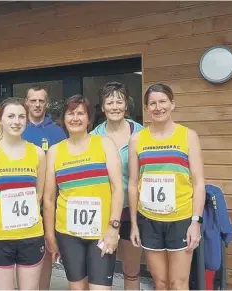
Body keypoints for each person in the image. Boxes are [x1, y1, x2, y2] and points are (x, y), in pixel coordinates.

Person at [128, 84, 205, 290]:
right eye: (152, 103)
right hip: (149, 220)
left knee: (178, 283)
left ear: (172, 104)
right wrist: (134, 223)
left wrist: (195, 222)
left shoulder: (188, 136)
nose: (158, 107)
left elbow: (198, 183)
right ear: (146, 108)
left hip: (180, 219)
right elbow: (133, 183)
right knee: (160, 282)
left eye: (162, 101)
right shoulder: (137, 139)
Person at [43, 95, 124, 290]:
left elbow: (117, 188)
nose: (75, 118)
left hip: (102, 231)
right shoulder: (54, 151)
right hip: (68, 233)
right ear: (64, 118)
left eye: (81, 113)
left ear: (89, 119)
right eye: (70, 113)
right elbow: (48, 198)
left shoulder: (105, 144)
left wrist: (114, 228)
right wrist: (50, 236)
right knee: (77, 287)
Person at [0, 98, 46, 290]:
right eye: (11, 116)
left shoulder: (38, 153)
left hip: (30, 234)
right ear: (0, 120)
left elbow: (38, 195)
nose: (17, 121)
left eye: (21, 116)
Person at [90, 81, 144, 290]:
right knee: (101, 271)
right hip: (103, 211)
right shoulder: (94, 137)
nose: (115, 106)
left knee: (131, 270)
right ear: (102, 107)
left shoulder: (140, 134)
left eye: (119, 102)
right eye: (109, 102)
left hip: (132, 210)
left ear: (126, 105)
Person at [21, 85, 66, 290]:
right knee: (22, 251)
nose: (37, 104)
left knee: (47, 249)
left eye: (41, 100)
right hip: (23, 200)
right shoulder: (17, 128)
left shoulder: (57, 132)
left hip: (49, 202)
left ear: (46, 103)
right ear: (26, 102)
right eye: (33, 100)